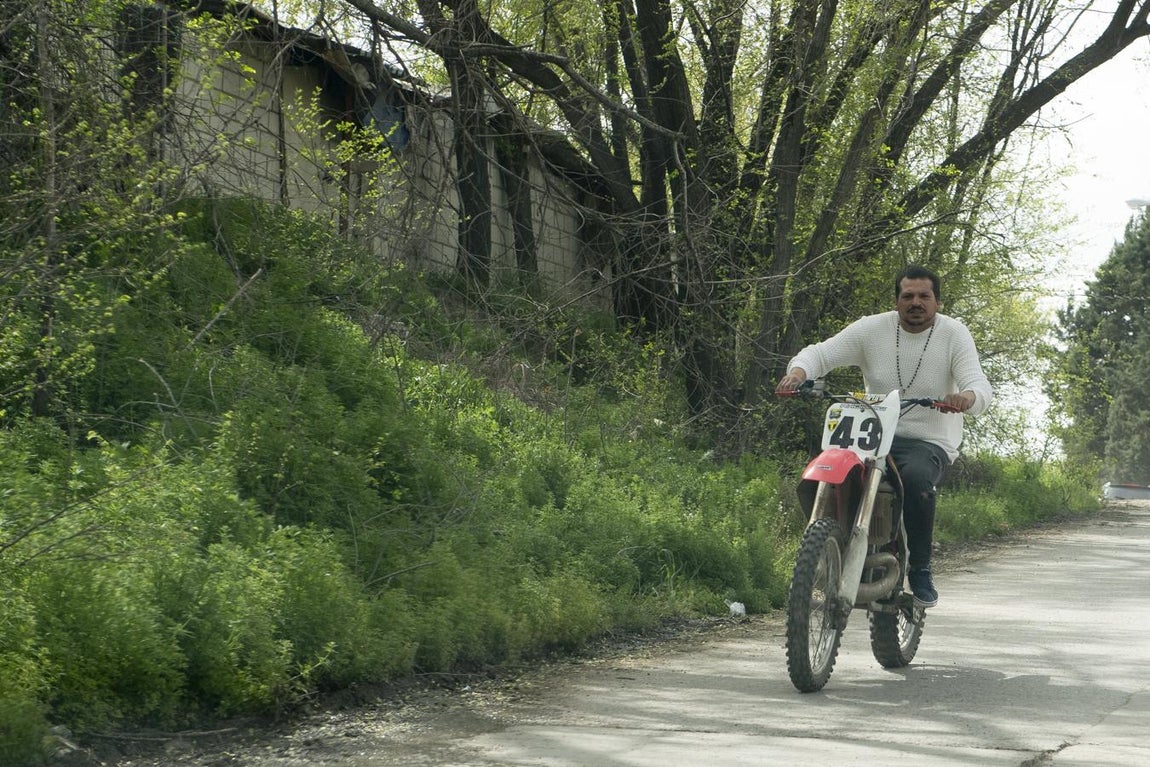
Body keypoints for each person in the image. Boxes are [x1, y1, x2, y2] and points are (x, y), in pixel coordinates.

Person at [774, 264, 992, 608]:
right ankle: (829, 547)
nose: (916, 302)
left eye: (924, 296)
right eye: (908, 296)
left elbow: (978, 385)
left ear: (937, 301)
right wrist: (799, 372)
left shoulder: (954, 334)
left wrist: (966, 398)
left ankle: (920, 568)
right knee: (817, 474)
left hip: (927, 441)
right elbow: (819, 353)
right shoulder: (871, 329)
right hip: (872, 436)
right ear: (896, 301)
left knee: (918, 481)